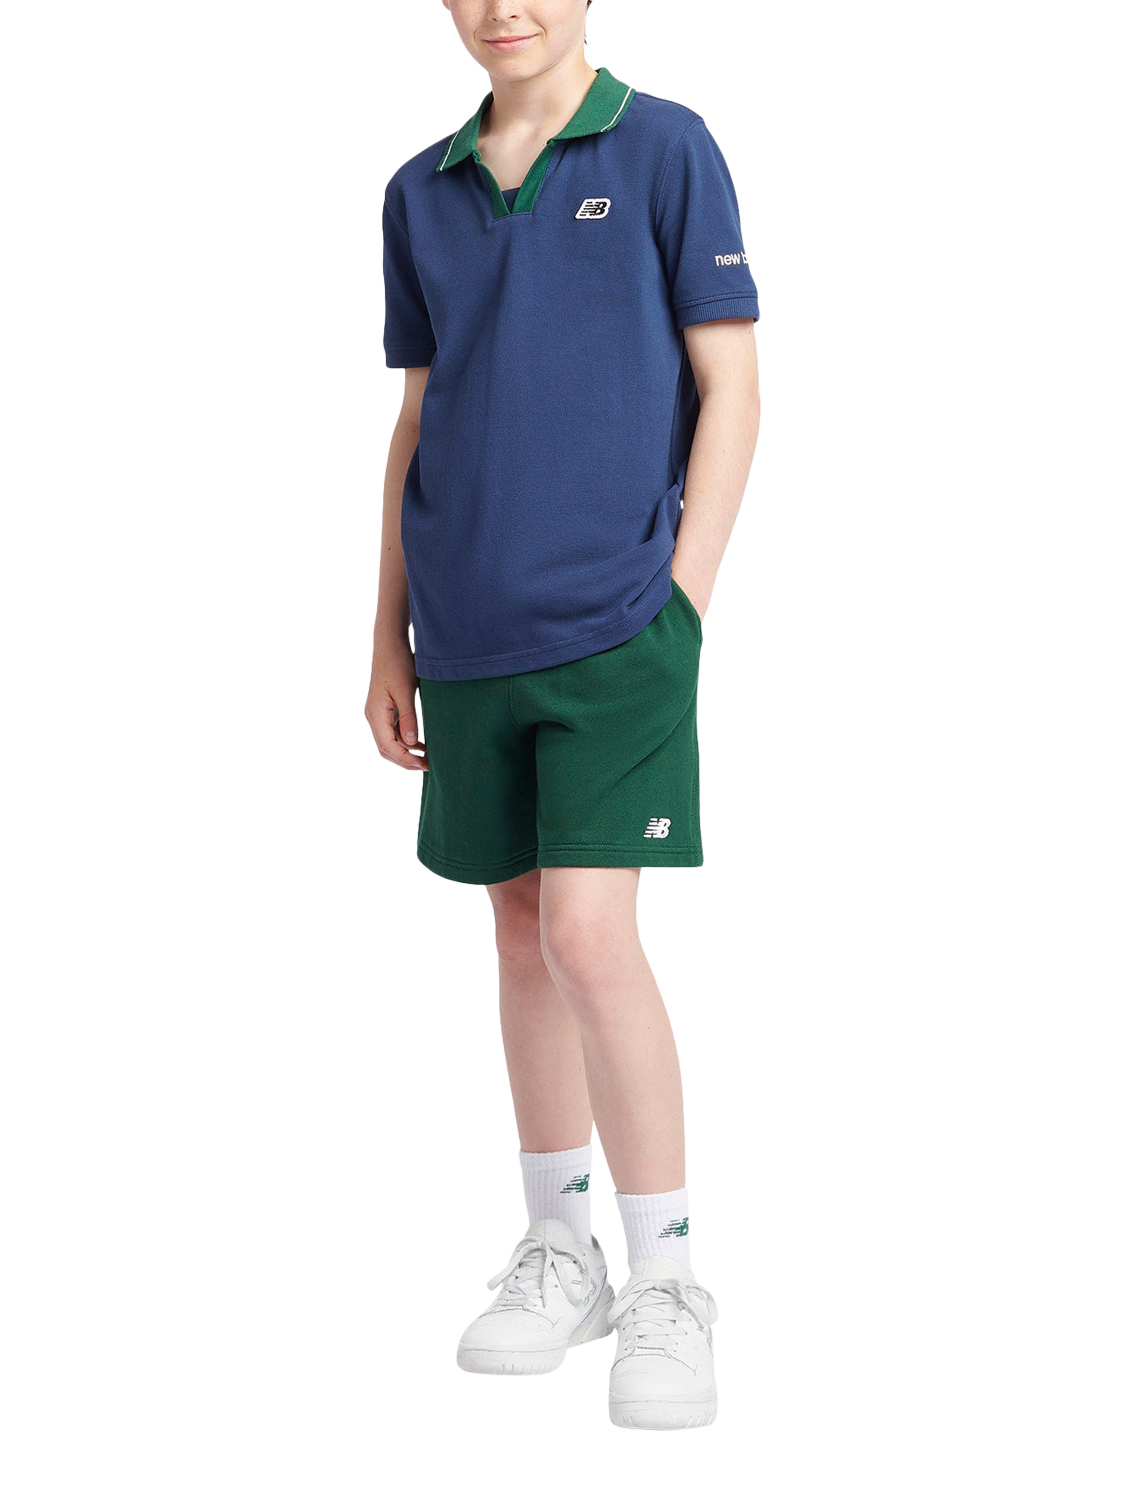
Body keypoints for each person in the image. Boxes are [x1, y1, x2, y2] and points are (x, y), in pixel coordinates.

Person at [366, 0, 760, 1431]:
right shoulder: (419, 190)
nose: (502, 9)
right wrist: (387, 630)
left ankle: (669, 1274)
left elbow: (732, 383)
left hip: (617, 631)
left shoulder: (665, 148)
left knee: (592, 936)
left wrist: (684, 600)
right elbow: (421, 416)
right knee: (523, 929)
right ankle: (559, 1248)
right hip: (468, 629)